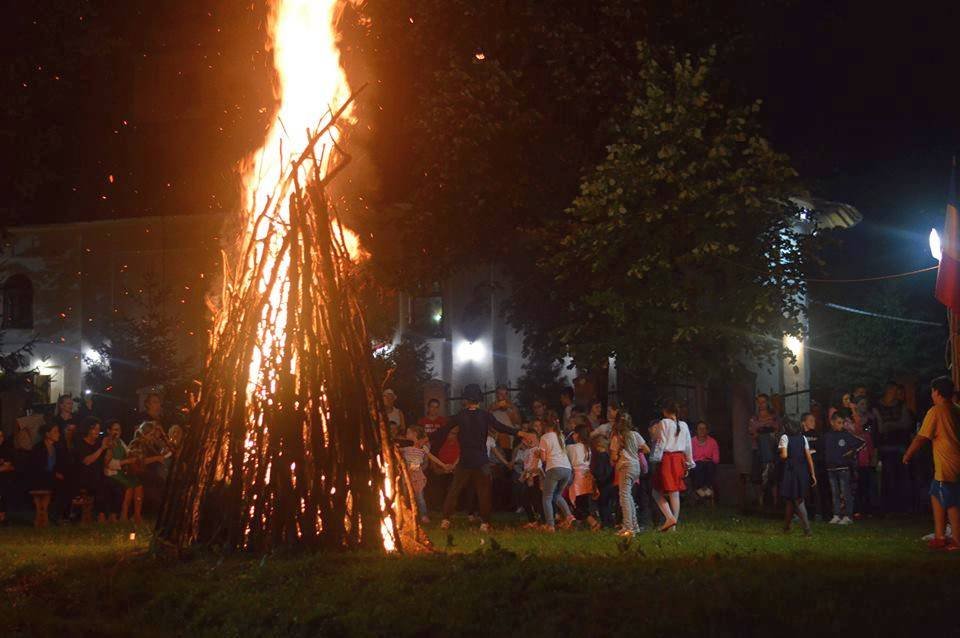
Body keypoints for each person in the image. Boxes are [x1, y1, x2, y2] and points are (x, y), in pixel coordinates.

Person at [431, 384, 519, 532]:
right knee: (484, 492)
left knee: (454, 490)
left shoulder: (460, 415)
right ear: (479, 399)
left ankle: (446, 520)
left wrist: (425, 438)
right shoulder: (485, 415)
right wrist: (520, 433)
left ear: (466, 399)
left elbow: (443, 430)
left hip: (465, 460)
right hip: (481, 460)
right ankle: (484, 523)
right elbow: (500, 427)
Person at [903, 376, 960, 550]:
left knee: (951, 502)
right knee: (935, 494)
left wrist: (907, 454)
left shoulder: (936, 411)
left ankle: (957, 540)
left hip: (947, 466)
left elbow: (921, 437)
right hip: (953, 463)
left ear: (936, 392)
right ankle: (940, 535)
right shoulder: (957, 409)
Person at [651, 400, 694, 532]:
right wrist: (688, 462)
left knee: (656, 491)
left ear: (665, 411)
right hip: (679, 458)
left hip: (667, 459)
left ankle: (670, 518)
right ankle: (673, 524)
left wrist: (654, 458)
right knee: (674, 492)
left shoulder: (664, 423)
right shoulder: (684, 425)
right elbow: (688, 446)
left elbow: (661, 442)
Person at [400, 425, 452, 523]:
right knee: (405, 495)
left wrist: (444, 465)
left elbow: (432, 457)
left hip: (417, 475)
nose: (406, 435)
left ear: (414, 434)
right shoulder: (405, 446)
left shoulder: (422, 447)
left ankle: (423, 515)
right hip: (406, 474)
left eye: (408, 433)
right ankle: (408, 515)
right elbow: (397, 450)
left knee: (419, 496)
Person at [876, 381, 914, 513]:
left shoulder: (901, 406)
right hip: (885, 446)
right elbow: (880, 428)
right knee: (888, 476)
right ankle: (889, 506)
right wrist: (896, 424)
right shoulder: (877, 407)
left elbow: (906, 423)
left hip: (900, 446)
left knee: (901, 476)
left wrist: (890, 425)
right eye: (893, 391)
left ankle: (902, 505)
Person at [821, 412, 865, 525]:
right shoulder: (827, 436)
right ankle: (836, 514)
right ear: (832, 422)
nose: (842, 425)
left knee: (845, 492)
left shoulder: (846, 435)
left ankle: (848, 515)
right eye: (839, 423)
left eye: (843, 423)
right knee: (835, 493)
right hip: (831, 468)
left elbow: (861, 442)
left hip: (843, 467)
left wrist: (852, 452)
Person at [610, 412, 649, 536]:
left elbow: (614, 457)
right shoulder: (635, 435)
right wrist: (634, 449)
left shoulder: (617, 438)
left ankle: (628, 527)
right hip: (635, 466)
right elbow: (647, 449)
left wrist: (621, 451)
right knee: (629, 496)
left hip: (625, 466)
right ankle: (634, 525)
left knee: (624, 496)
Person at [537, 417, 575, 532]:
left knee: (547, 497)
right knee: (557, 495)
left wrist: (538, 454)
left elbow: (543, 459)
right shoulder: (560, 436)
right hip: (567, 469)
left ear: (545, 426)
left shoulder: (544, 437)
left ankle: (550, 525)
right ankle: (569, 516)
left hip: (554, 467)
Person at [779, 419, 816, 536]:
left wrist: (779, 453)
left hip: (791, 471)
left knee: (798, 500)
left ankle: (807, 529)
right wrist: (813, 474)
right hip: (802, 470)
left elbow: (784, 455)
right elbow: (809, 457)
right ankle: (786, 527)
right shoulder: (803, 438)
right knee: (790, 500)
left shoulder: (785, 437)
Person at [104, 420, 144, 524]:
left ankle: (137, 515)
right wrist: (127, 461)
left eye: (119, 429)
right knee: (129, 486)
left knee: (138, 484)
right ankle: (123, 514)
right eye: (115, 430)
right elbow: (108, 464)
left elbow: (128, 452)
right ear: (109, 431)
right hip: (112, 473)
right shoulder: (107, 443)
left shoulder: (120, 442)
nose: (118, 432)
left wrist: (135, 454)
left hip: (121, 472)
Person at [30, 424, 67, 524]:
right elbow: (36, 468)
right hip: (39, 478)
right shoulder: (38, 448)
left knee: (66, 483)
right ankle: (53, 515)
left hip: (51, 478)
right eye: (55, 431)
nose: (58, 434)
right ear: (47, 434)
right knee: (60, 486)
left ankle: (59, 514)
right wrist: (54, 475)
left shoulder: (56, 448)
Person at [73, 417, 110, 520]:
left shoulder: (98, 443)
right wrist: (101, 449)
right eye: (95, 429)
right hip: (83, 476)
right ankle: (100, 515)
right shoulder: (80, 443)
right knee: (100, 485)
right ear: (88, 429)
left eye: (99, 429)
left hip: (97, 474)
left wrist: (109, 448)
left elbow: (105, 461)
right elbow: (87, 461)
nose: (98, 432)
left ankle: (110, 514)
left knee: (110, 483)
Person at [748, 393, 781, 508]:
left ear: (767, 402)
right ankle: (760, 502)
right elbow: (752, 432)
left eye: (763, 402)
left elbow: (777, 432)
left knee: (773, 476)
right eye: (759, 402)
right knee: (757, 476)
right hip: (757, 449)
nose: (761, 404)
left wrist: (768, 432)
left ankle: (775, 501)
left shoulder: (773, 416)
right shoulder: (754, 418)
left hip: (771, 449)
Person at [566, 422, 595, 526]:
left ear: (577, 434)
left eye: (574, 433)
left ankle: (592, 522)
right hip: (587, 475)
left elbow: (565, 450)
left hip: (577, 476)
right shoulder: (588, 447)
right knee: (583, 500)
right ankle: (579, 523)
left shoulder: (573, 448)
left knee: (577, 502)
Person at [800, 412, 826, 520]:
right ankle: (801, 513)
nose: (813, 422)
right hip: (802, 467)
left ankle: (818, 513)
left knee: (815, 490)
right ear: (803, 422)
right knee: (802, 490)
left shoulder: (817, 435)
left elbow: (820, 450)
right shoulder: (799, 435)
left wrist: (812, 452)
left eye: (814, 420)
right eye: (810, 420)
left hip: (815, 467)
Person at [589, 436, 616, 527]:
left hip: (603, 483)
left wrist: (595, 476)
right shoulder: (608, 455)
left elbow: (599, 470)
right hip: (609, 482)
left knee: (602, 504)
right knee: (607, 504)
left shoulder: (600, 456)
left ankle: (605, 523)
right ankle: (610, 521)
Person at [690, 421, 720, 499]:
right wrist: (699, 460)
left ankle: (700, 491)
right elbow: (689, 457)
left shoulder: (712, 442)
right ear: (696, 430)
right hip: (695, 464)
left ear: (707, 430)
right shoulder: (691, 441)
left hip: (709, 464)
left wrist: (707, 460)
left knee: (708, 466)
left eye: (704, 428)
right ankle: (706, 492)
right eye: (700, 428)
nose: (702, 430)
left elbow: (716, 459)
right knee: (699, 466)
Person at [0, 430, 15, 524]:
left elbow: (8, 466)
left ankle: (2, 515)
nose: (0, 438)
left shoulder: (5, 450)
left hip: (3, 478)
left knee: (4, 484)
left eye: (1, 435)